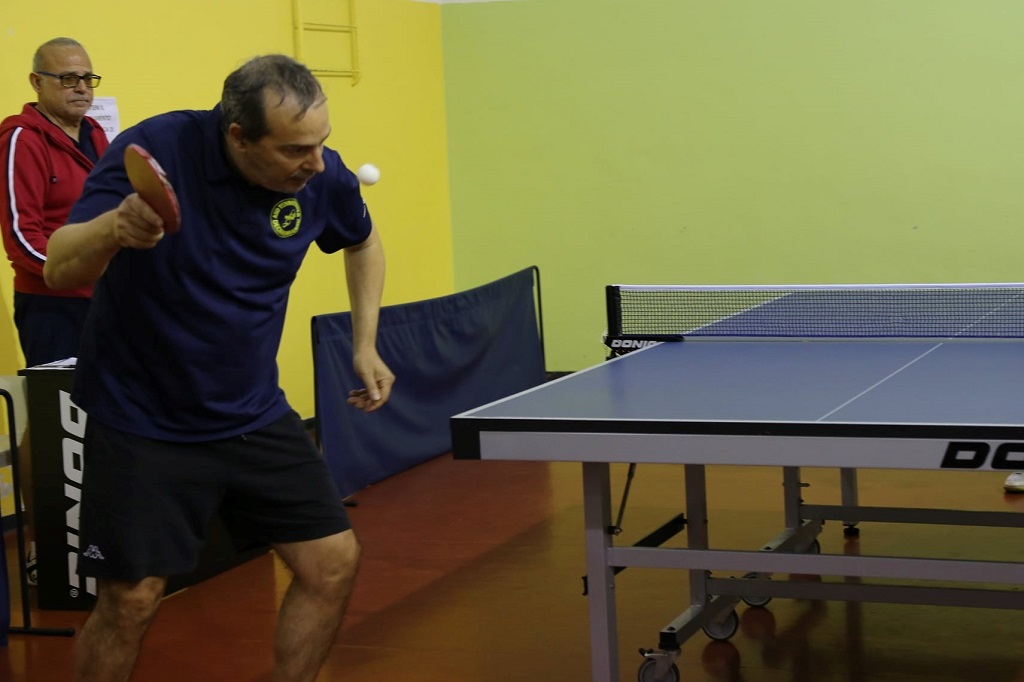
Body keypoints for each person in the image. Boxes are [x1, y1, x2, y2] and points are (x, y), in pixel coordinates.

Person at [43, 54, 394, 681]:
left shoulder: (321, 176)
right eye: (295, 150)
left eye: (322, 143)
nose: (316, 164)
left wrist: (365, 342)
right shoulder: (158, 147)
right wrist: (115, 228)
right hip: (143, 418)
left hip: (252, 411)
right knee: (130, 602)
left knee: (331, 563)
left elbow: (362, 241)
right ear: (238, 136)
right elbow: (58, 265)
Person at [0, 36, 109, 586]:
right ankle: (43, 548)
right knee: (51, 423)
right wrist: (79, 271)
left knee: (108, 415)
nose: (80, 88)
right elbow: (22, 239)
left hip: (103, 301)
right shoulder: (21, 138)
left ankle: (100, 539)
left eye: (87, 78)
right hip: (50, 305)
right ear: (37, 83)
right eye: (67, 78)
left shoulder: (96, 135)